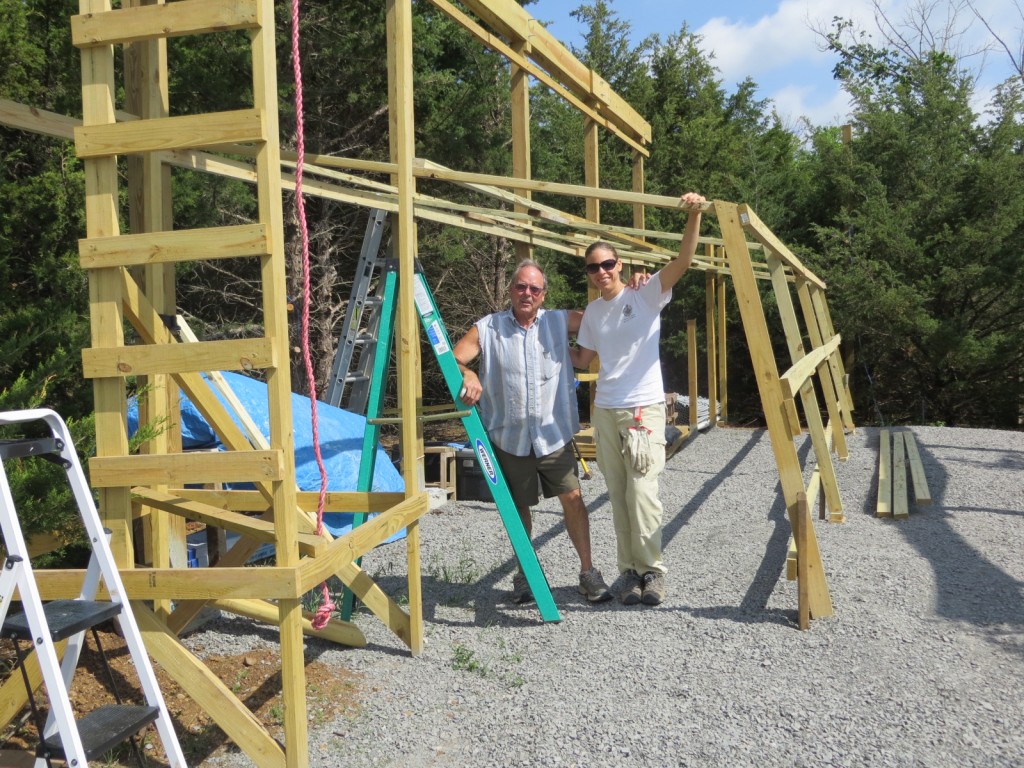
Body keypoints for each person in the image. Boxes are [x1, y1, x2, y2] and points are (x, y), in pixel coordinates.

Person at [571, 192, 707, 607]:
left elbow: (683, 261)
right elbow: (581, 361)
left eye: (607, 264)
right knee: (618, 492)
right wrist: (537, 334)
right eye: (593, 267)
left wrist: (695, 215)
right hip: (606, 410)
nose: (601, 272)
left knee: (643, 490)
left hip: (642, 409)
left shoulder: (644, 294)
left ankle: (653, 572)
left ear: (621, 266)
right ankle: (628, 571)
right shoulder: (594, 313)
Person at [453, 259, 612, 604]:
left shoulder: (558, 321)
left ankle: (588, 572)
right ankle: (525, 576)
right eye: (521, 286)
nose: (527, 293)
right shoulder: (489, 328)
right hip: (509, 437)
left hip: (552, 434)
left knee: (572, 498)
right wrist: (468, 374)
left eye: (534, 288)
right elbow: (454, 357)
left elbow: (602, 316)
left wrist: (627, 286)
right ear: (511, 290)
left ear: (543, 295)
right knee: (519, 507)